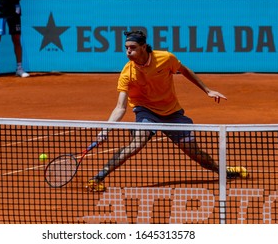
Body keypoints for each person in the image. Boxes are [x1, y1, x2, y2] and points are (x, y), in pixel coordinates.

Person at [87, 30, 248, 192]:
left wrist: (207, 90)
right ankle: (98, 177)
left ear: (143, 47)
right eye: (126, 47)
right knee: (137, 144)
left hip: (172, 112)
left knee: (195, 153)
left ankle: (225, 171)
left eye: (132, 47)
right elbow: (120, 107)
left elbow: (183, 70)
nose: (128, 51)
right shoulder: (127, 73)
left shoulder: (165, 58)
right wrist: (106, 129)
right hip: (146, 111)